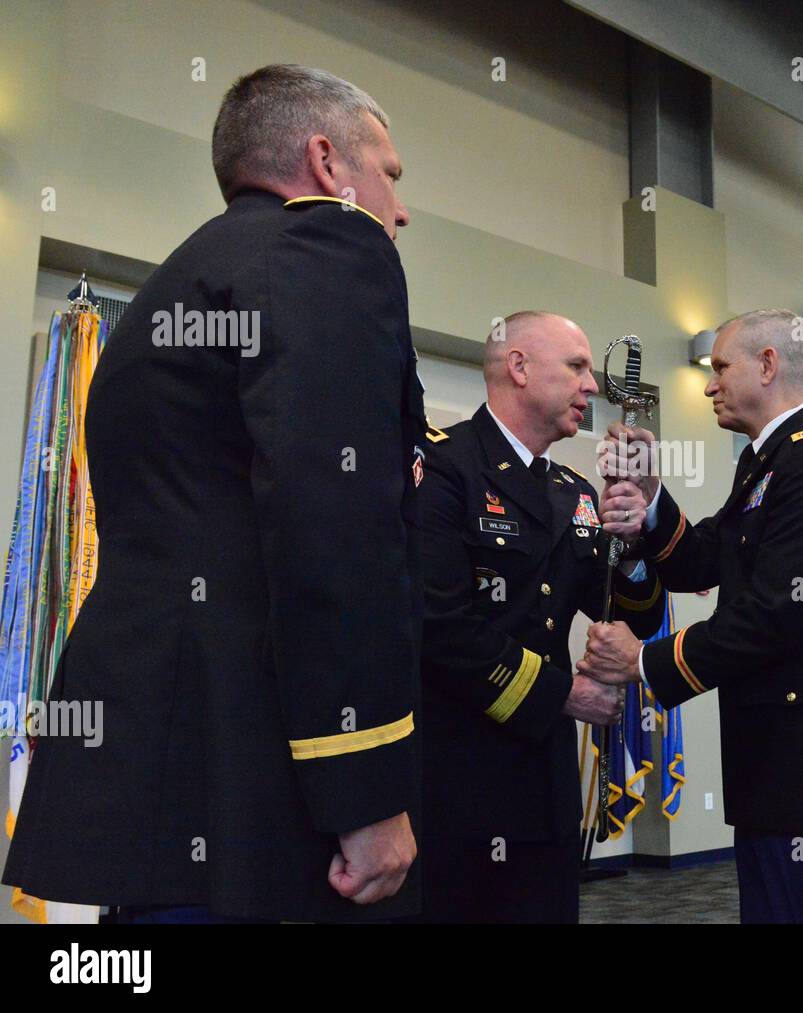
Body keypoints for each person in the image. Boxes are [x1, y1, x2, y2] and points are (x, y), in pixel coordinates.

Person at [3, 64, 424, 923]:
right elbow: (332, 526)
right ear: (327, 161)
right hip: (256, 776)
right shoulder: (327, 249)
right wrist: (364, 789)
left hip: (156, 769)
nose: (401, 207)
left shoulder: (175, 286)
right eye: (391, 172)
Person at [582, 309, 803, 923]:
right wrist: (650, 498)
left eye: (721, 366)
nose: (708, 384)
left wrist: (643, 660)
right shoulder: (767, 461)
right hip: (776, 776)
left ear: (768, 364)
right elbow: (702, 560)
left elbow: (774, 616)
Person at [412, 311, 664, 923]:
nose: (592, 386)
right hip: (457, 771)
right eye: (576, 367)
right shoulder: (442, 466)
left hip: (544, 773)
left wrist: (632, 543)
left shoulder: (575, 491)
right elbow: (437, 626)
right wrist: (563, 695)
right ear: (519, 367)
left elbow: (633, 611)